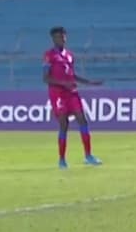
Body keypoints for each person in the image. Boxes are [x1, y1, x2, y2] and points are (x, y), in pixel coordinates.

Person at [43, 26, 103, 168]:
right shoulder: (49, 55)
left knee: (83, 120)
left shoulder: (70, 55)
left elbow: (72, 76)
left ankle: (88, 156)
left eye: (63, 36)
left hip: (72, 92)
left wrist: (89, 82)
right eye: (58, 37)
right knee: (64, 125)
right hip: (58, 94)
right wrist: (63, 83)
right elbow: (45, 78)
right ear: (53, 39)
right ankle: (62, 159)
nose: (61, 39)